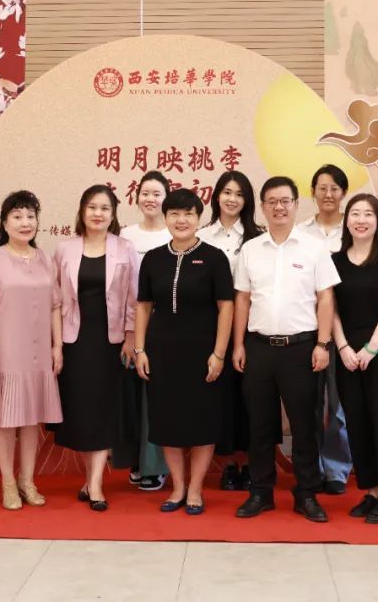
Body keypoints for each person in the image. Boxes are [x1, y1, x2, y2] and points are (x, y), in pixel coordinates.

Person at [232, 176, 340, 523]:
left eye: (285, 201)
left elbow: (326, 298)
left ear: (296, 205)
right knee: (259, 424)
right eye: (272, 202)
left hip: (302, 348)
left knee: (305, 425)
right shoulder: (251, 249)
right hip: (259, 348)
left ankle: (306, 493)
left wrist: (323, 343)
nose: (279, 207)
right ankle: (261, 492)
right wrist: (238, 344)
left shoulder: (314, 247)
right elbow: (242, 299)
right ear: (263, 207)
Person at [134, 189, 234, 515]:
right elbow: (143, 306)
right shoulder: (153, 258)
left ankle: (195, 489)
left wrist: (219, 353)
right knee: (168, 423)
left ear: (199, 218)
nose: (181, 220)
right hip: (162, 352)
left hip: (203, 353)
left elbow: (226, 306)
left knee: (203, 422)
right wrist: (140, 349)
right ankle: (177, 487)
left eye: (189, 213)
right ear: (165, 218)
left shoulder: (214, 257)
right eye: (175, 213)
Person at [0, 190, 64, 511]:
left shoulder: (45, 260)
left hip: (39, 352)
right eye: (17, 216)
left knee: (31, 419)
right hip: (6, 349)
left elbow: (55, 306)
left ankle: (27, 480)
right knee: (6, 419)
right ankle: (8, 483)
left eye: (30, 216)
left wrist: (57, 346)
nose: (25, 222)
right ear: (4, 223)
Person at [51, 184, 139, 511]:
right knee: (82, 411)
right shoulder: (65, 249)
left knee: (103, 410)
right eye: (92, 207)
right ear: (82, 211)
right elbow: (54, 300)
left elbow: (134, 298)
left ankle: (97, 484)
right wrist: (55, 344)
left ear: (113, 214)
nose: (98, 213)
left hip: (110, 341)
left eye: (104, 208)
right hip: (74, 341)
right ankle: (90, 480)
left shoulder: (125, 248)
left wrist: (131, 336)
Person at [329, 193, 378, 524]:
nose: (361, 220)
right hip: (348, 352)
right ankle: (372, 491)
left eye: (368, 214)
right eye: (355, 214)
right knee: (357, 421)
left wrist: (371, 348)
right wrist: (343, 347)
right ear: (347, 220)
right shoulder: (335, 261)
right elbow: (330, 308)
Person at [198, 170, 263, 491]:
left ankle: (250, 464)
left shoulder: (258, 237)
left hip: (251, 328)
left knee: (250, 398)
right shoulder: (202, 236)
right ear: (217, 196)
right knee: (219, 399)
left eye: (239, 194)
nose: (232, 199)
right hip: (210, 327)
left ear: (247, 200)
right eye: (226, 192)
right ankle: (227, 465)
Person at [117, 170, 172, 492]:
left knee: (157, 398)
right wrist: (128, 332)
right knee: (131, 398)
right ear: (137, 198)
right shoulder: (126, 236)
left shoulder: (173, 234)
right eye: (145, 193)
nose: (150, 199)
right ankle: (135, 460)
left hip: (163, 327)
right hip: (129, 327)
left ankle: (155, 466)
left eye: (157, 193)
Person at [301, 164, 353, 496]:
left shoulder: (354, 229)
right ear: (313, 193)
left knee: (337, 404)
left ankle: (336, 468)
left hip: (345, 329)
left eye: (335, 188)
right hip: (307, 327)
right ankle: (311, 467)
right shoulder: (300, 232)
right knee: (308, 402)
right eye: (322, 188)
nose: (328, 194)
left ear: (343, 193)